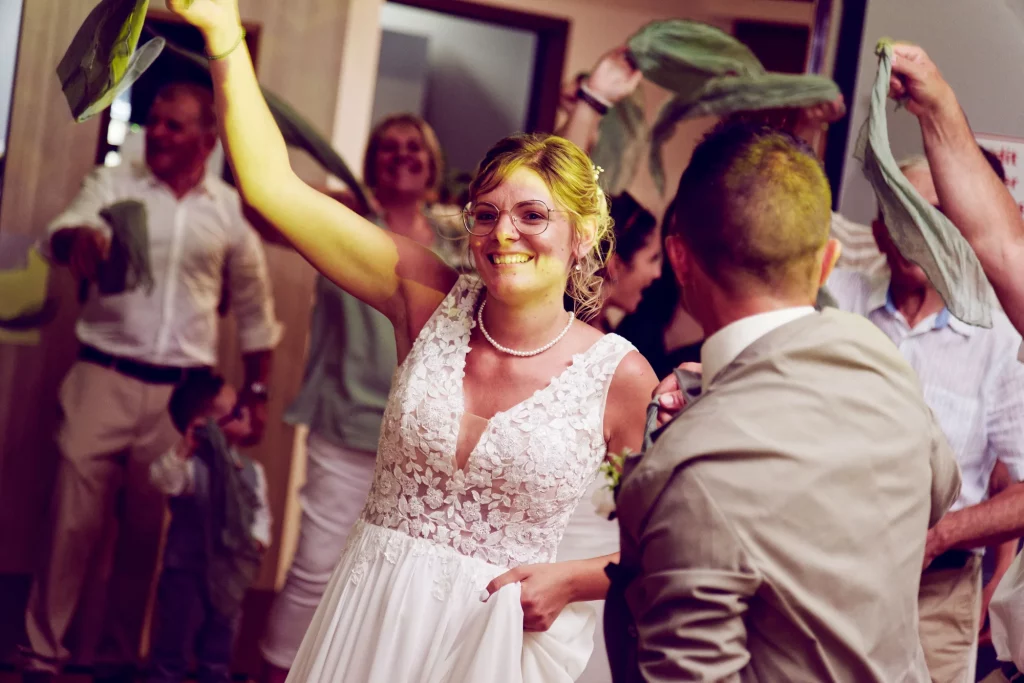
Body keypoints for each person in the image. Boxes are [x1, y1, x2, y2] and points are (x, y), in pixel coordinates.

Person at [167, 3, 657, 682]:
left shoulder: (620, 376)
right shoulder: (423, 299)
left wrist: (575, 578)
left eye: (532, 215)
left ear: (581, 236)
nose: (502, 233)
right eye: (485, 214)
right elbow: (272, 187)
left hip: (494, 645)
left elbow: (673, 544)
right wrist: (223, 34)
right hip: (370, 616)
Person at [604, 120, 962, 682]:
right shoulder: (880, 360)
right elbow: (940, 490)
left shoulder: (688, 470)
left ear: (679, 259)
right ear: (828, 261)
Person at [22, 81, 281, 683]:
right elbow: (61, 231)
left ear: (207, 139)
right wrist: (78, 239)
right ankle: (41, 655)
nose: (158, 134)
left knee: (151, 532)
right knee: (70, 522)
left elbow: (254, 310)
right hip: (102, 377)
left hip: (181, 399)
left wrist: (257, 394)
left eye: (174, 125)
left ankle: (116, 656)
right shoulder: (114, 183)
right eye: (154, 122)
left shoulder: (226, 212)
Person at [257, 113, 470, 683]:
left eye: (414, 149)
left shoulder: (457, 231)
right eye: (389, 148)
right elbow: (260, 207)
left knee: (397, 577)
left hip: (426, 439)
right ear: (372, 161)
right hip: (345, 427)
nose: (402, 156)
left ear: (432, 164)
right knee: (315, 568)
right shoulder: (347, 220)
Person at [827, 155, 1024, 683]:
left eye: (936, 213)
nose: (919, 229)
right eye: (904, 211)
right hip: (822, 578)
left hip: (934, 598)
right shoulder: (833, 300)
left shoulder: (1000, 344)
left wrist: (939, 536)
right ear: (878, 230)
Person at [554, 191, 660, 683]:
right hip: (563, 578)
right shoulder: (610, 366)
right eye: (653, 258)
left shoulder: (623, 357)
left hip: (594, 580)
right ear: (613, 264)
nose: (658, 274)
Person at [148, 372, 272, 683]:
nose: (246, 412)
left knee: (220, 641)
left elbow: (260, 513)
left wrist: (257, 540)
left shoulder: (251, 470)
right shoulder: (190, 468)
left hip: (229, 574)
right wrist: (184, 447)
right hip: (186, 571)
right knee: (173, 640)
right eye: (236, 409)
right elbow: (165, 480)